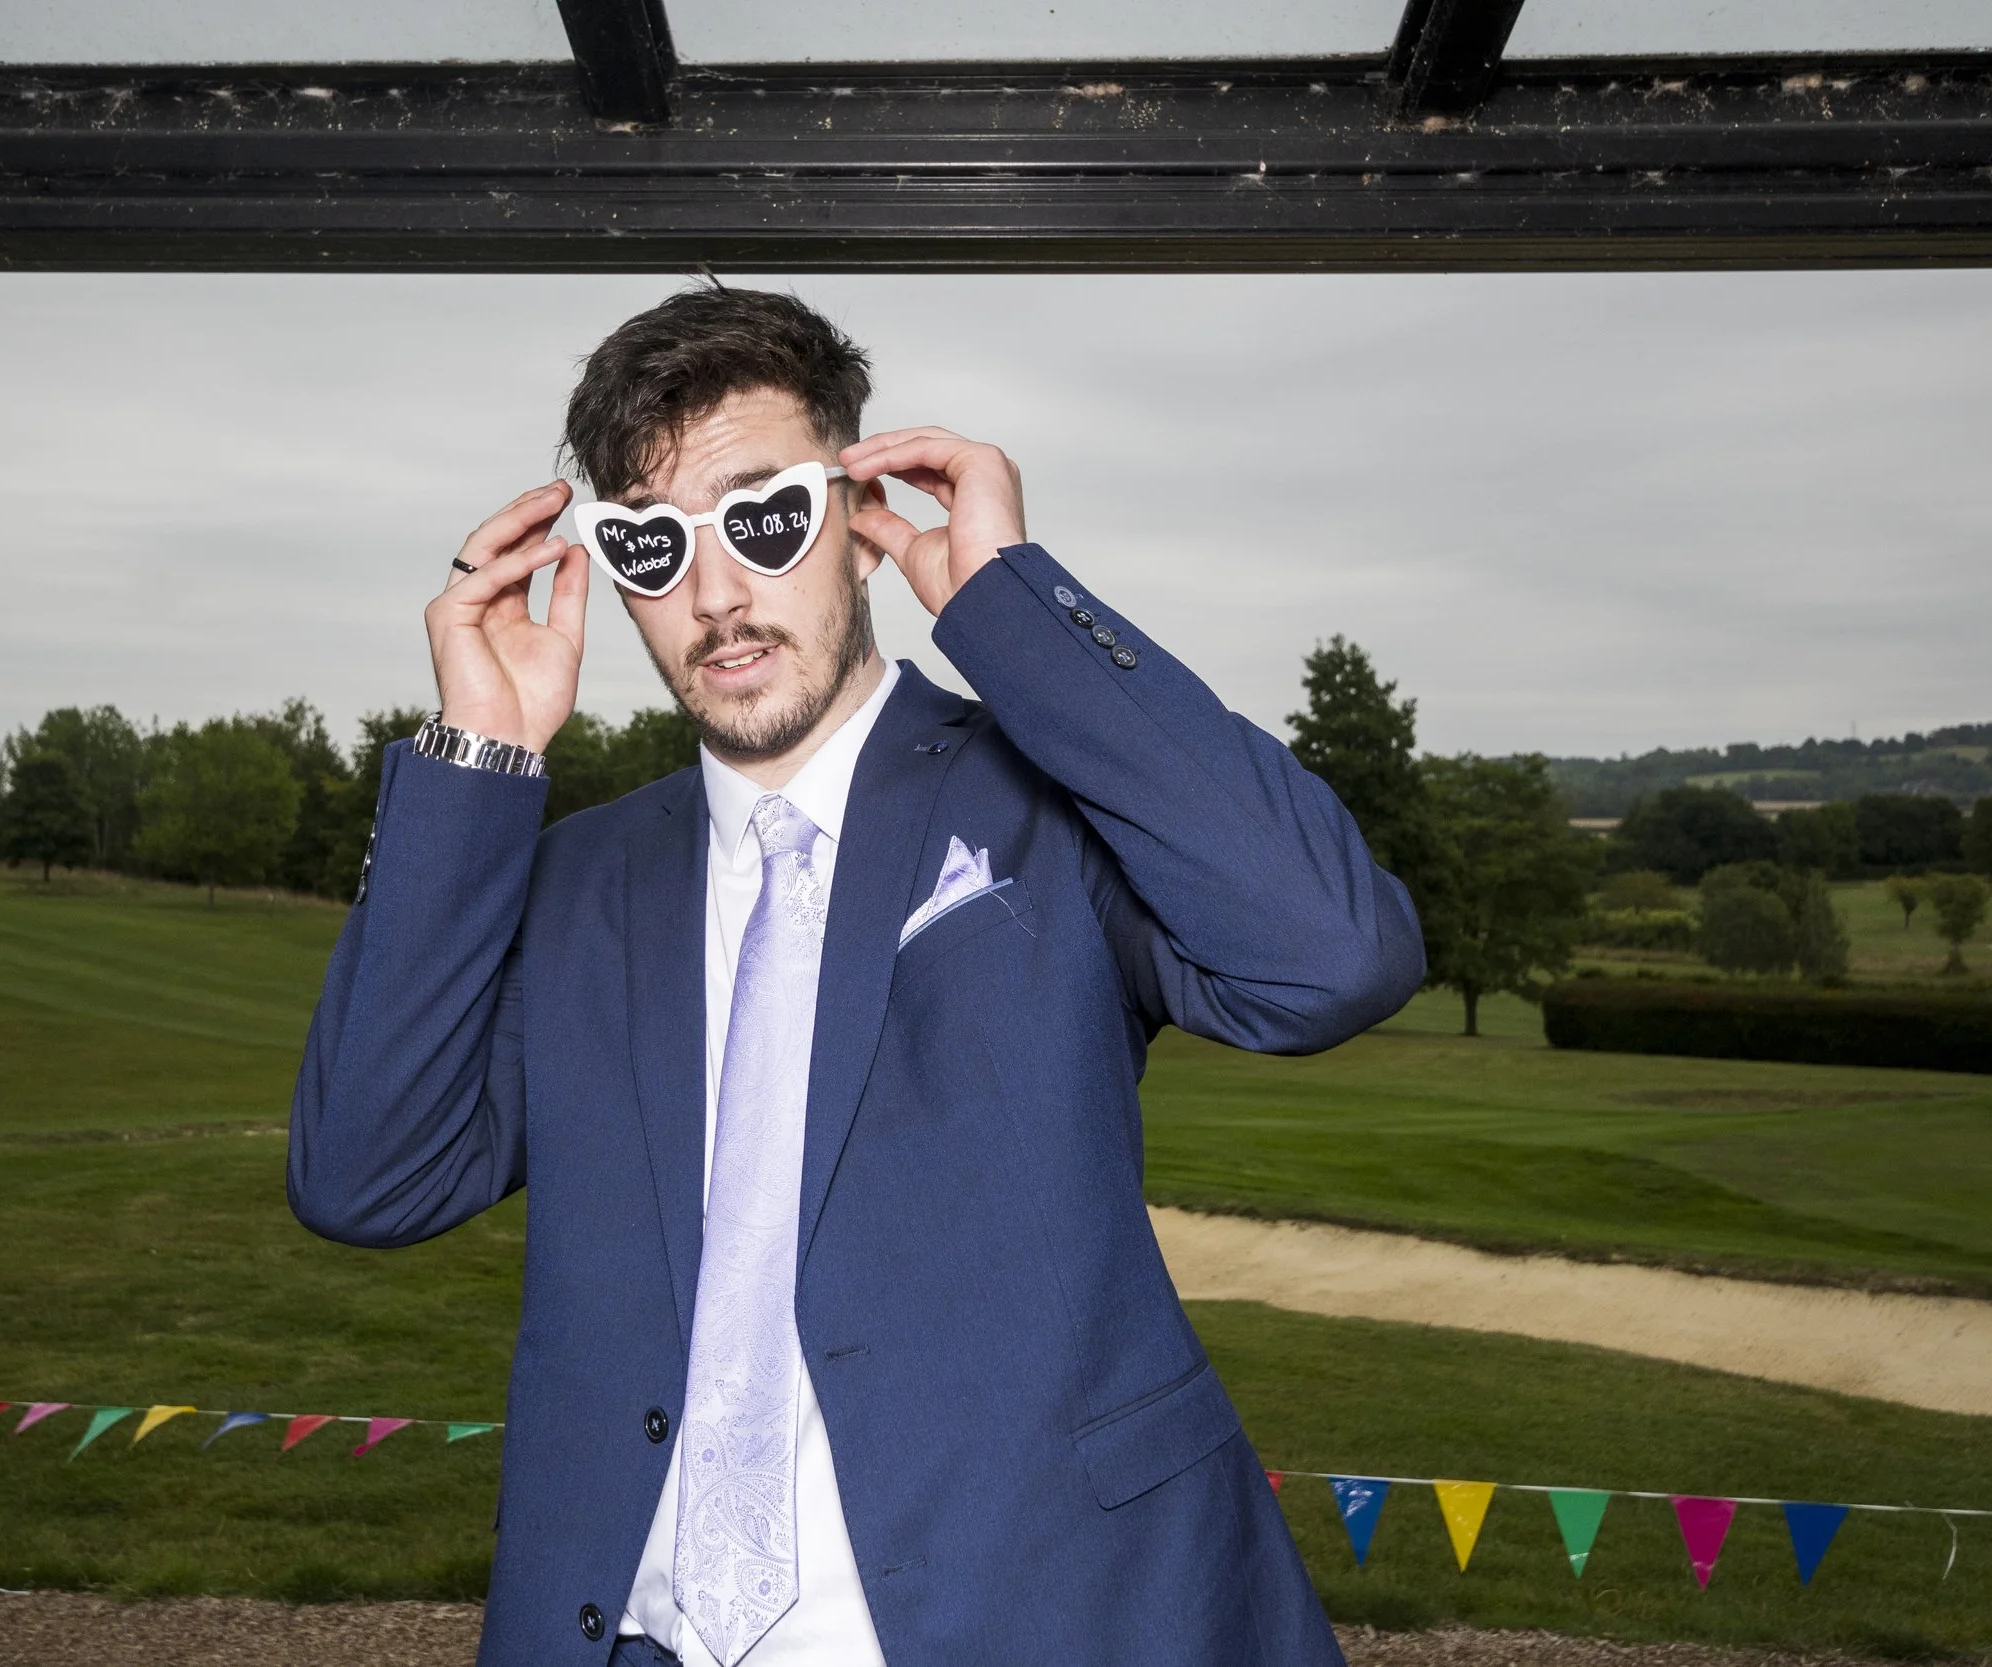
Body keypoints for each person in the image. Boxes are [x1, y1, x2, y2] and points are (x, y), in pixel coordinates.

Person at [288, 286, 1424, 1666]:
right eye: (655, 547)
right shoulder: (577, 879)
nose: (718, 596)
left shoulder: (1049, 809)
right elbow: (365, 1175)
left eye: (763, 520)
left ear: (858, 517)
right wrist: (481, 754)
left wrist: (1015, 608)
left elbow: (1333, 955)